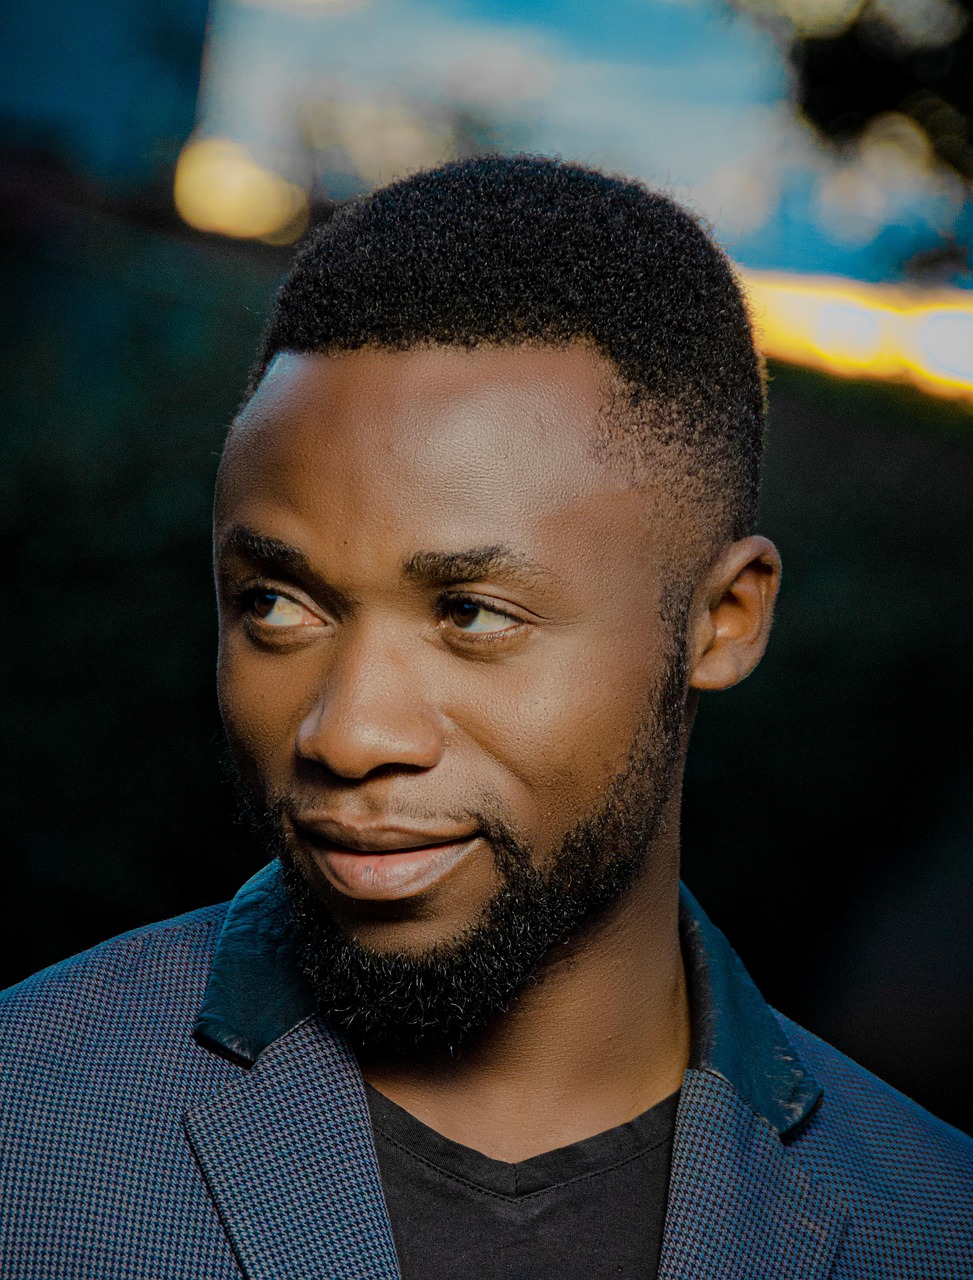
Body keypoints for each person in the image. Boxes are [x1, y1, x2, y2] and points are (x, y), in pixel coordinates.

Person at [1, 155, 970, 1280]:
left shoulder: (933, 1224)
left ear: (722, 618)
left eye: (471, 611)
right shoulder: (27, 1125)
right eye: (275, 602)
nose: (348, 733)